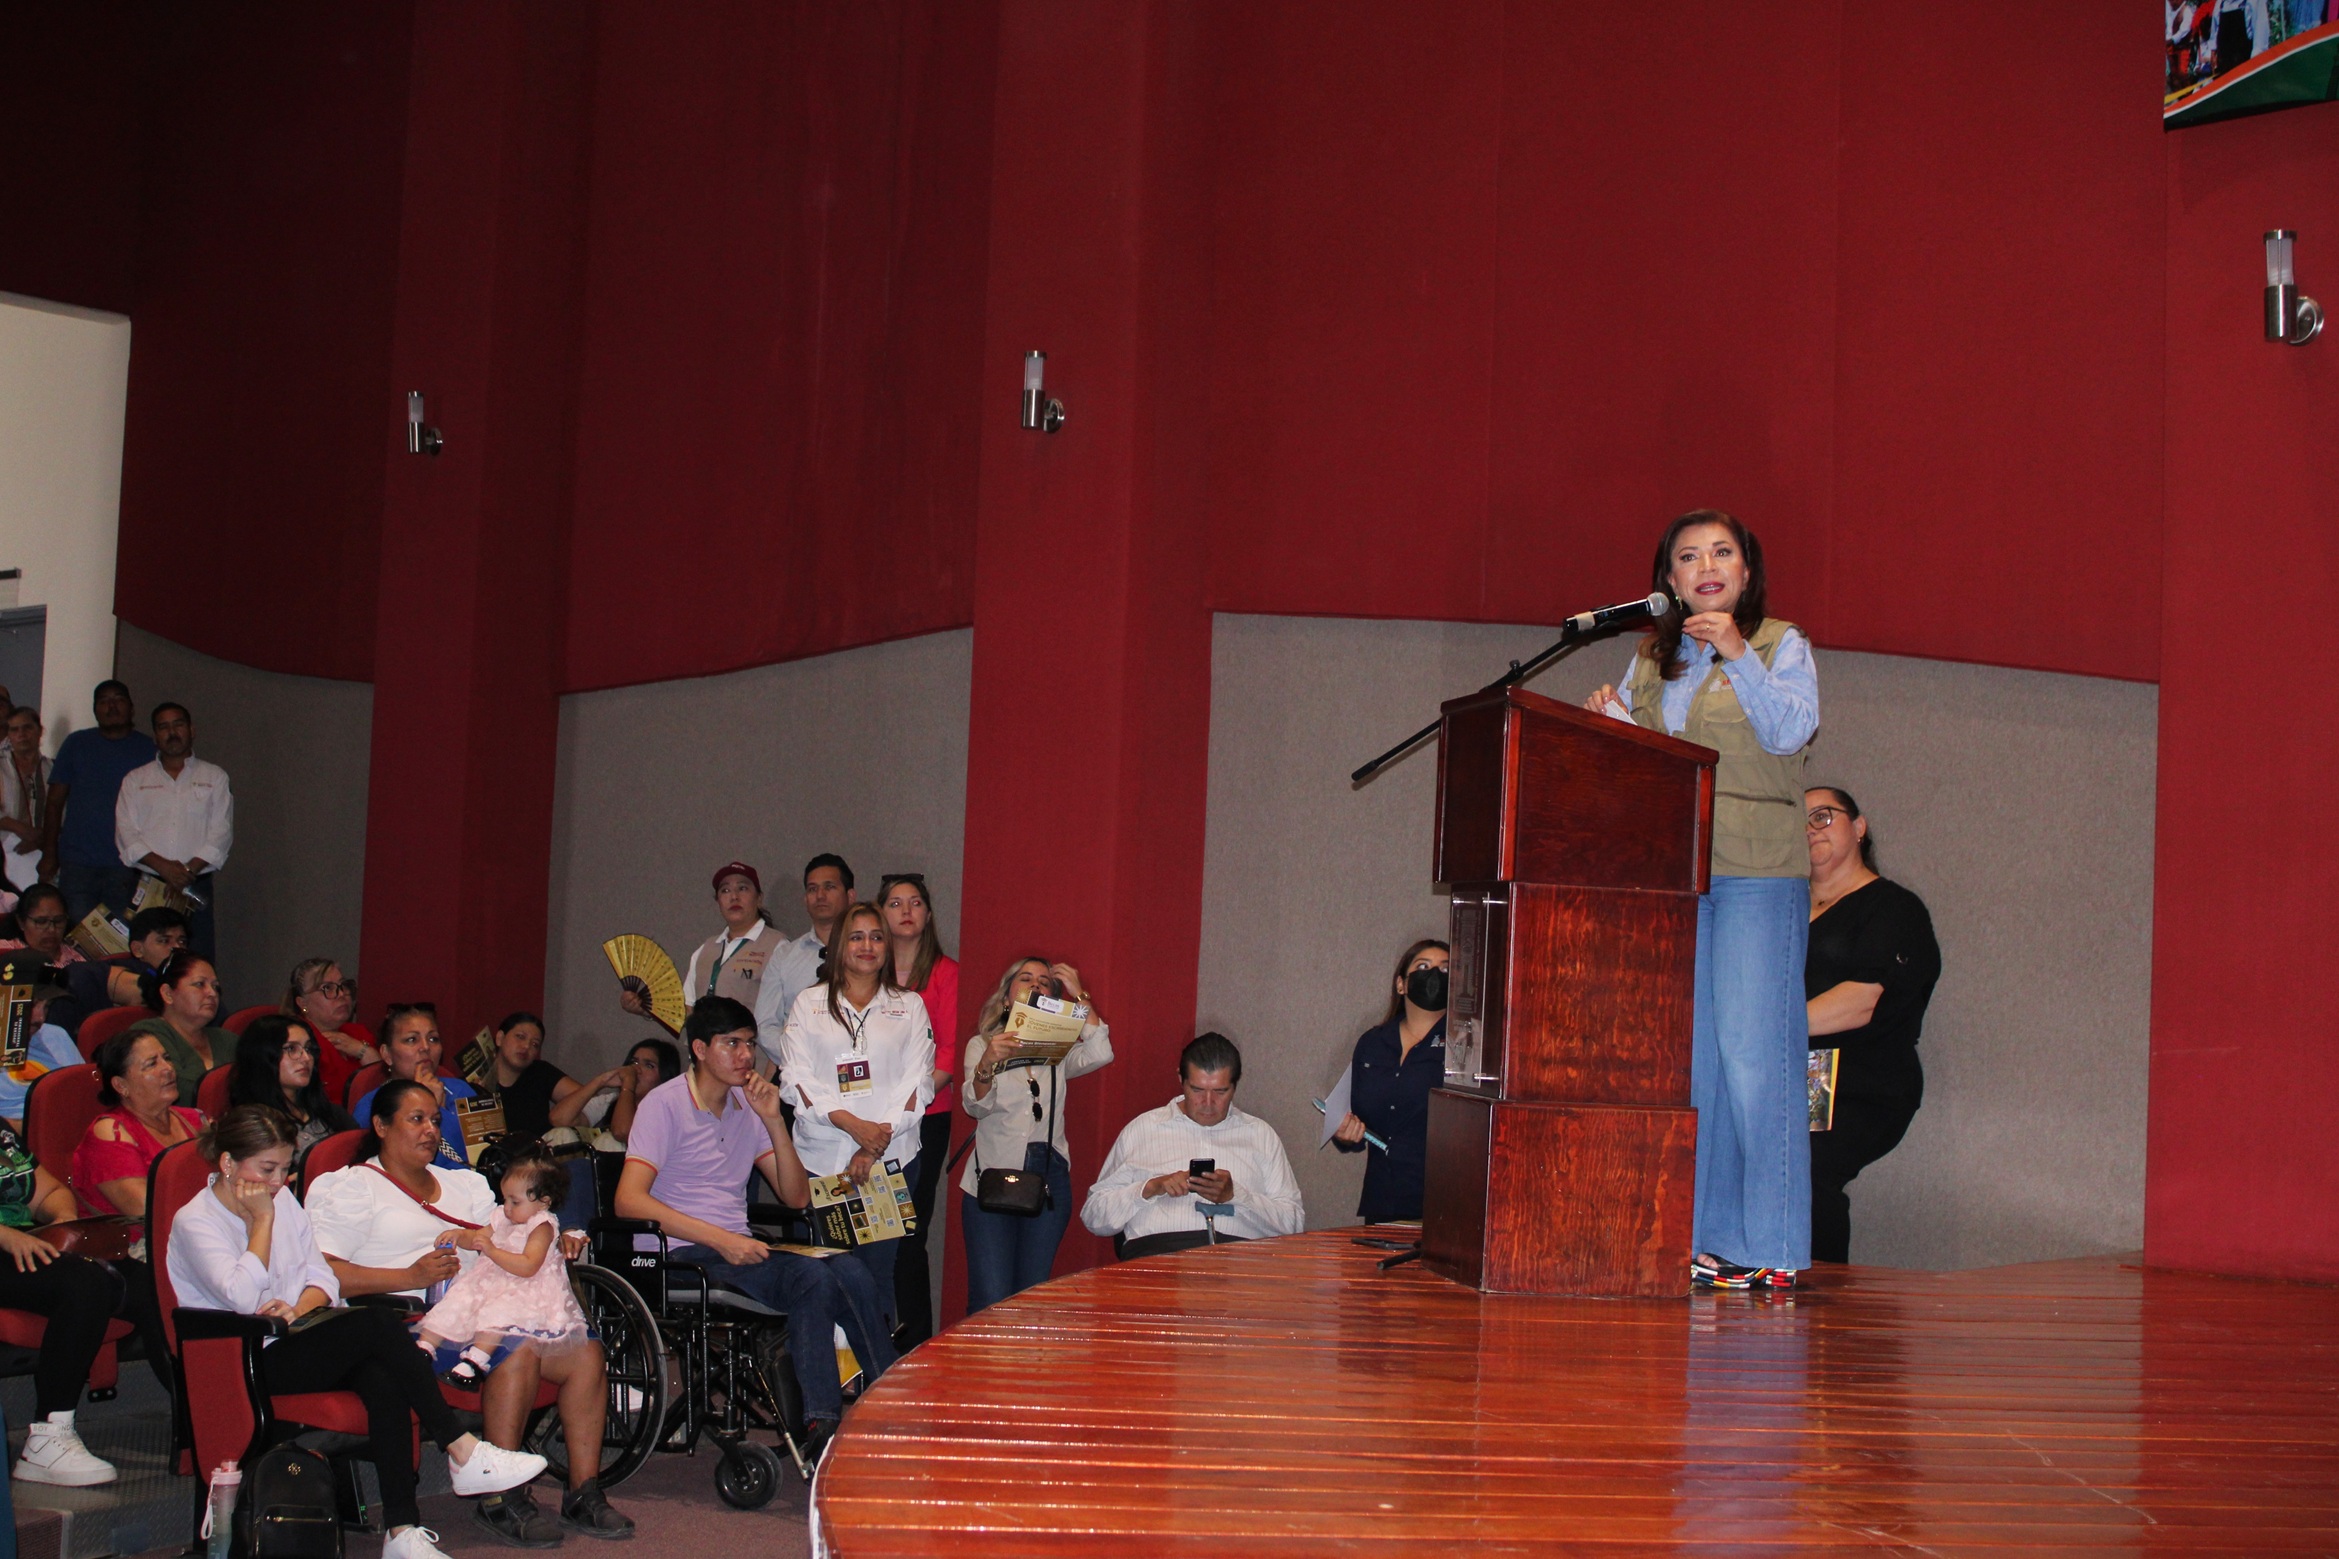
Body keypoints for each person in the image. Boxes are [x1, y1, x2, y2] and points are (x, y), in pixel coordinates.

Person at [1585, 508, 1819, 1290]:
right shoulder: (1652, 659)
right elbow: (1646, 766)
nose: (1706, 566)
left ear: (1745, 572)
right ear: (1669, 580)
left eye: (1721, 553)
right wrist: (1615, 724)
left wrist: (1737, 654)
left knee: (1756, 1059)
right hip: (1677, 873)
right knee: (1697, 1066)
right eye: (1688, 557)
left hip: (1756, 871)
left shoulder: (1779, 643)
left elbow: (1789, 732)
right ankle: (1708, 1237)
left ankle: (1773, 1242)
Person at [168, 1106, 551, 1559]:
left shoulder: (282, 1200)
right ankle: (461, 1447)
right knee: (376, 1323)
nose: (278, 1182)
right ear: (228, 1163)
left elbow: (322, 1278)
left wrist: (296, 1309)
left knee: (382, 1377)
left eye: (285, 1169)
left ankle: (402, 1530)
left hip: (293, 1334)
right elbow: (240, 1295)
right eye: (267, 1169)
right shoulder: (196, 1220)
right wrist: (263, 1222)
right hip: (240, 1359)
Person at [307, 1082, 635, 1543]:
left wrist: (553, 1239)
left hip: (490, 1307)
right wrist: (408, 1275)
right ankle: (500, 1497)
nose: (430, 1129)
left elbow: (517, 1230)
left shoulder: (465, 1184)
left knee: (585, 1354)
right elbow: (321, 1274)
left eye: (434, 1120)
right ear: (380, 1126)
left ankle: (584, 1492)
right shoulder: (352, 1187)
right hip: (409, 1325)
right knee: (515, 1346)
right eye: (416, 1119)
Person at [616, 994, 897, 1458]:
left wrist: (773, 1121)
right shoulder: (663, 1105)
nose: (746, 1055)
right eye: (732, 1044)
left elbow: (796, 1196)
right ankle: (821, 1422)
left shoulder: (747, 1107)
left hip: (733, 1248)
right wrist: (721, 1239)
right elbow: (628, 1200)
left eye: (749, 1043)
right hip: (678, 1253)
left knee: (846, 1267)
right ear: (700, 1049)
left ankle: (890, 1402)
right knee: (810, 1278)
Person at [776, 903, 933, 1324]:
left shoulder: (909, 1006)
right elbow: (795, 1079)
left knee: (877, 1277)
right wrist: (851, 1125)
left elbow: (917, 1083)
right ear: (839, 945)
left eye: (877, 937)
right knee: (827, 1276)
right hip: (824, 1161)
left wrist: (873, 1143)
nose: (868, 946)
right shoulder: (808, 1003)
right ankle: (829, 1365)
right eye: (857, 937)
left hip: (890, 1160)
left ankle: (873, 1365)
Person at [1804, 786, 1942, 1265]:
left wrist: (1765, 1029)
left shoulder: (1893, 908)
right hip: (1790, 1076)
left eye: (1823, 816)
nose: (1810, 830)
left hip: (1862, 1081)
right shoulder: (1779, 910)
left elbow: (1864, 1000)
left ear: (1859, 827)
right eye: (1799, 822)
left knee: (1808, 1169)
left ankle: (1821, 1299)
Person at [960, 955, 1114, 1312]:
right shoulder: (981, 1045)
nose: (1036, 986)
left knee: (1030, 1296)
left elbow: (1101, 1051)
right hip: (993, 1178)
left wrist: (1079, 995)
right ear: (1007, 997)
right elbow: (976, 1107)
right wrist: (987, 1065)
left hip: (1047, 1178)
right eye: (1026, 979)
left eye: (1045, 983)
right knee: (991, 1297)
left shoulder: (1058, 1052)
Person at [0, 1114, 137, 1485]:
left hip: (25, 1239)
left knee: (141, 1280)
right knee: (85, 1285)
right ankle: (47, 1437)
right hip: (6, 1243)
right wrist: (6, 1236)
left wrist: (62, 1220)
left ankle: (201, 1431)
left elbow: (48, 1192)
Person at [1081, 1033, 1304, 1259]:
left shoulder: (1261, 1135)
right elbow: (1094, 1218)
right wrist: (1151, 1188)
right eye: (1197, 1090)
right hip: (1158, 1258)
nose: (1208, 1103)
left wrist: (1237, 1196)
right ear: (1181, 1079)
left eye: (1220, 1091)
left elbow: (1293, 1224)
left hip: (1240, 1262)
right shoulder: (1142, 1130)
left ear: (1235, 1085)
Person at [413, 1147, 591, 1389]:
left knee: (498, 1314)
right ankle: (425, 1346)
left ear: (543, 1202)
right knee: (459, 1299)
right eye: (505, 1199)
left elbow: (528, 1265)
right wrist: (459, 1235)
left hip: (524, 1288)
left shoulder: (542, 1225)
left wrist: (492, 1251)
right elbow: (478, 1237)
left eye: (515, 1201)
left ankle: (475, 1361)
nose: (507, 1207)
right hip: (493, 1280)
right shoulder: (503, 1217)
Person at [877, 872, 957, 1342]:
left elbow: (949, 1051)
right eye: (894, 903)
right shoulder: (867, 973)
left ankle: (914, 1344)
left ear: (928, 914)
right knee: (870, 1231)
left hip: (927, 1116)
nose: (906, 911)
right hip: (867, 1122)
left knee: (908, 1231)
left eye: (915, 903)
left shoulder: (947, 973)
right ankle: (872, 1337)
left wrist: (910, 1102)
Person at [471, 1011, 627, 1228]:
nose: (526, 1047)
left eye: (535, 1044)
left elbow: (585, 1101)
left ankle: (574, 1227)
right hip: (500, 1166)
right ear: (499, 1038)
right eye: (520, 1037)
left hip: (541, 1165)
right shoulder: (473, 1086)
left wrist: (600, 1082)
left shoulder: (540, 1072)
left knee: (563, 1137)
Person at [1332, 938, 1450, 1223]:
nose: (1435, 975)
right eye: (1423, 967)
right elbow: (1358, 1118)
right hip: (1383, 1199)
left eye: (1446, 969)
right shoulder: (1372, 1043)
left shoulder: (1467, 1047)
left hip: (1444, 1203)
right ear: (1401, 984)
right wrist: (1345, 1135)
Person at [113, 702, 232, 962]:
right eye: (163, 727)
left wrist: (186, 873)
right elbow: (126, 834)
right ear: (155, 736)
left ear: (191, 730)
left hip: (195, 885)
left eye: (178, 724)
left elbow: (221, 833)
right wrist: (165, 868)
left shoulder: (214, 777)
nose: (172, 732)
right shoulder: (136, 780)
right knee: (145, 963)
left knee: (196, 961)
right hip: (148, 884)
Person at [42, 681, 158, 923]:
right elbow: (54, 803)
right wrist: (50, 853)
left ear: (132, 708)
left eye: (118, 699)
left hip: (129, 864)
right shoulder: (76, 744)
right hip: (78, 862)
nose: (111, 706)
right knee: (77, 934)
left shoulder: (150, 749)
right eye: (104, 701)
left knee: (120, 936)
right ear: (95, 710)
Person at [71, 1028, 201, 1217]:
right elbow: (144, 1208)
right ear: (121, 1085)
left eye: (166, 1058)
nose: (168, 1068)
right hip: (140, 1234)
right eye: (151, 1064)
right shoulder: (111, 1133)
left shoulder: (194, 1119)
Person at [753, 853, 857, 1064]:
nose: (820, 895)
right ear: (805, 899)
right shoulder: (784, 956)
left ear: (850, 896)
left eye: (829, 887)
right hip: (797, 1069)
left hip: (857, 1068)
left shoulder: (868, 952)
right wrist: (801, 1059)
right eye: (812, 889)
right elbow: (765, 1024)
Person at [352, 1004, 480, 1173]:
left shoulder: (460, 1090)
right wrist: (434, 1109)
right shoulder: (372, 1105)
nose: (425, 1047)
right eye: (412, 1040)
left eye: (433, 1039)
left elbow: (484, 1155)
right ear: (387, 1054)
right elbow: (405, 1168)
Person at [647, 861, 782, 1012]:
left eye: (742, 888)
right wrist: (646, 1008)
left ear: (759, 898)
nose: (734, 897)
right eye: (725, 890)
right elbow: (687, 1011)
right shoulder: (705, 949)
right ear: (718, 901)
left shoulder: (778, 947)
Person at [50, 905, 188, 1043]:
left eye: (182, 941)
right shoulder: (128, 972)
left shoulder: (186, 974)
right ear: (138, 950)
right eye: (164, 941)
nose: (177, 947)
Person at [122, 949, 237, 1109]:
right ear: (168, 994)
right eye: (199, 984)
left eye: (215, 986)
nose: (212, 993)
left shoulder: (227, 1039)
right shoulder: (147, 1036)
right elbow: (178, 1092)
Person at [227, 1015, 356, 1153]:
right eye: (291, 1049)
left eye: (308, 1048)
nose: (306, 1058)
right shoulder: (253, 1128)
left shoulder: (330, 1112)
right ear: (263, 1056)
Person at [283, 957, 376, 1106]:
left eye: (343, 985)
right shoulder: (300, 1044)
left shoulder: (358, 1032)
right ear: (303, 1003)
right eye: (327, 988)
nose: (341, 994)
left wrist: (364, 1051)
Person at [0, 984, 82, 1132]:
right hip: (20, 1137)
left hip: (72, 1126)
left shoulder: (55, 1035)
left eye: (47, 1006)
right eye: (31, 1005)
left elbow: (85, 1091)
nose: (40, 1018)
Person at [1, 704, 52, 894]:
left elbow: (64, 813)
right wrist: (19, 828)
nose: (21, 734)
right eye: (14, 730)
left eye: (27, 727)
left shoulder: (51, 768)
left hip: (43, 851)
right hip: (5, 847)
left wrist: (41, 838)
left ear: (40, 731)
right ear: (9, 735)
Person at [0, 883, 82, 973]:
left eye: (58, 921)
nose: (52, 929)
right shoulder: (4, 952)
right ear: (21, 922)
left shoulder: (81, 955)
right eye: (41, 922)